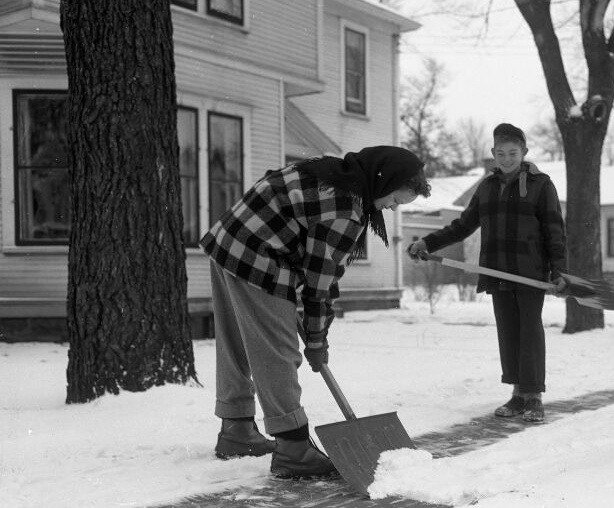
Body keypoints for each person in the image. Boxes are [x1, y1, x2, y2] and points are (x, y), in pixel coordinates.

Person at [200, 146, 430, 479]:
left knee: (235, 340)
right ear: (383, 181)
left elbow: (311, 257)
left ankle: (236, 431)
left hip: (229, 240)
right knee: (277, 350)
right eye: (394, 199)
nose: (391, 208)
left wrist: (315, 331)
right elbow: (319, 285)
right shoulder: (345, 209)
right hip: (259, 254)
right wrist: (317, 339)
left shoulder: (331, 171)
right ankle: (293, 448)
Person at [407, 123, 565, 423]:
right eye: (501, 153)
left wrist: (559, 271)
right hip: (497, 271)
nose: (506, 158)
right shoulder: (487, 188)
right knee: (509, 332)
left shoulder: (541, 185)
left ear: (524, 152)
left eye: (513, 153)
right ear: (493, 153)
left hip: (530, 273)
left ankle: (534, 398)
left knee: (530, 332)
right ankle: (518, 395)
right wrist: (428, 241)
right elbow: (463, 225)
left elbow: (555, 231)